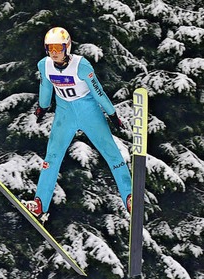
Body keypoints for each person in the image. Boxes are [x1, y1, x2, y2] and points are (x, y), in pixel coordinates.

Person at [22, 27, 132, 222]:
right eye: (50, 48)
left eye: (58, 47)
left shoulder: (82, 66)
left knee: (111, 153)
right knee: (52, 157)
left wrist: (112, 114)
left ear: (67, 47)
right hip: (65, 113)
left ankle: (129, 197)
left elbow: (98, 92)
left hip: (88, 112)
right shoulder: (44, 65)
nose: (54, 52)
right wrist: (42, 108)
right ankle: (40, 205)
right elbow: (46, 88)